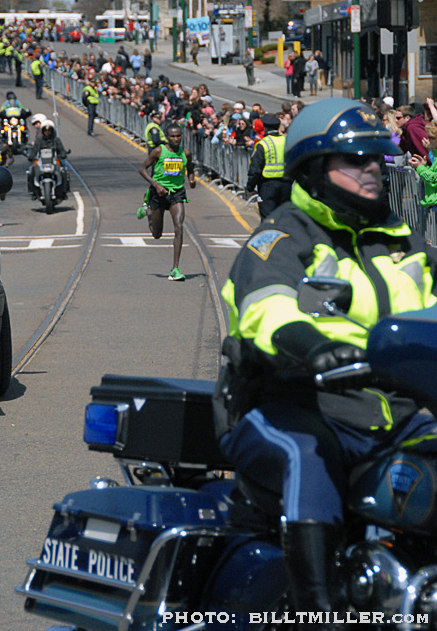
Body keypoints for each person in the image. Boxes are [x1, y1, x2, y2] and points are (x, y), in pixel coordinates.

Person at [218, 98, 437, 627]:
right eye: (353, 159)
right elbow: (263, 309)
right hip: (287, 402)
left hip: (389, 408)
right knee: (305, 458)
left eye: (375, 159)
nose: (371, 169)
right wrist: (313, 348)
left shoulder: (400, 237)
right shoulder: (283, 237)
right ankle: (318, 612)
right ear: (314, 170)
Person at [138, 123, 195, 281]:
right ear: (167, 137)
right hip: (158, 194)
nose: (176, 139)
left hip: (176, 193)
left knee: (179, 226)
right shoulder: (159, 151)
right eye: (173, 136)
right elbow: (142, 169)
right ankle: (148, 211)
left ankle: (175, 269)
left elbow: (190, 167)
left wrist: (191, 178)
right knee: (157, 234)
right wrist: (156, 185)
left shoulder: (186, 153)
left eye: (178, 136)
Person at [246, 114, 291, 219]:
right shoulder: (286, 141)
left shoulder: (263, 144)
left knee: (268, 219)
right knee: (283, 217)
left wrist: (250, 187)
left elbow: (255, 169)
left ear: (265, 128)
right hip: (286, 184)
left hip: (268, 185)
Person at [27, 119, 69, 199]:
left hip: (53, 161)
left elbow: (61, 150)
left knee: (64, 170)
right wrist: (31, 156)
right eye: (45, 130)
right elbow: (35, 150)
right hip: (42, 162)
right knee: (30, 171)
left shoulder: (56, 140)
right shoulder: (39, 140)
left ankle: (64, 190)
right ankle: (33, 191)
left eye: (49, 130)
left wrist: (63, 154)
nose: (47, 132)